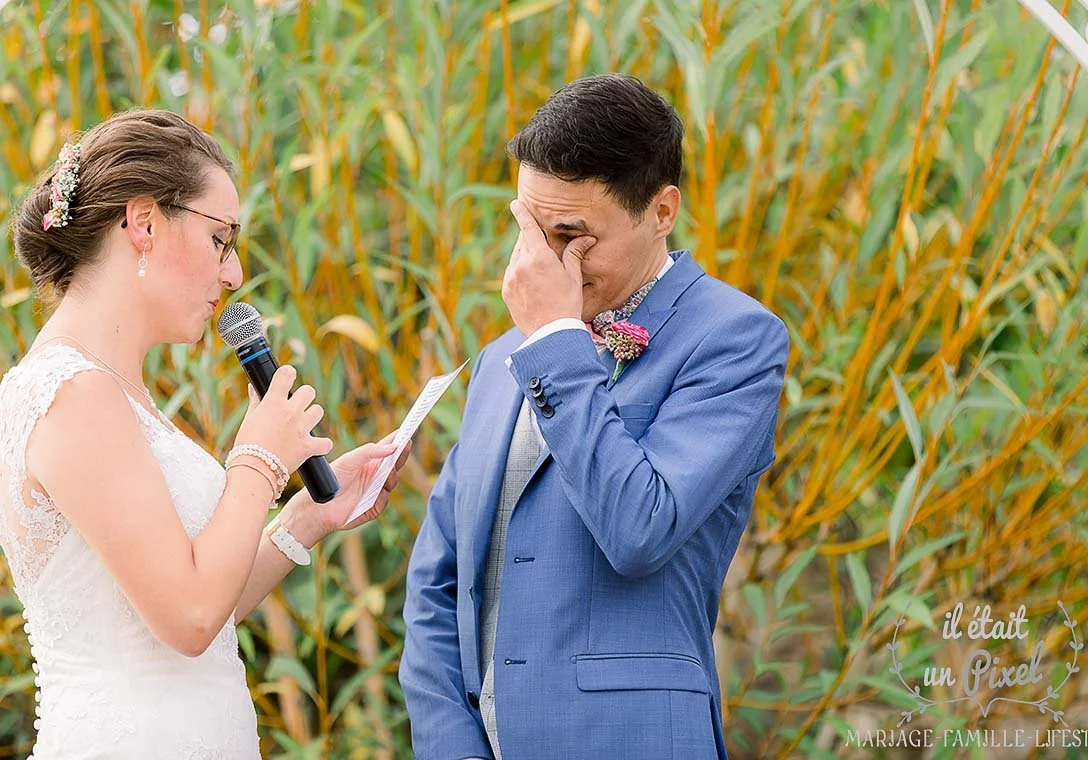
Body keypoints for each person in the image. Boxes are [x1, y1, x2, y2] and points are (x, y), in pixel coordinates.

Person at [399, 74, 790, 759]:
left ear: (661, 211)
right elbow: (439, 579)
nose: (545, 260)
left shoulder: (735, 339)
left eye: (573, 236)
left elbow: (639, 528)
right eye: (529, 228)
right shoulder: (501, 359)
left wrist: (554, 343)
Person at [0, 109, 409, 758]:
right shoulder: (74, 395)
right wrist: (259, 460)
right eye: (221, 239)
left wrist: (305, 519)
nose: (234, 273)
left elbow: (196, 612)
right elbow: (188, 618)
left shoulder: (114, 391)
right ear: (144, 223)